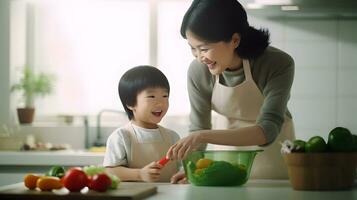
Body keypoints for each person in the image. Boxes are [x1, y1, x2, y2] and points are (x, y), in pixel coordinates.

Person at [168, 0, 295, 183]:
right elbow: (198, 126)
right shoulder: (198, 71)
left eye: (204, 49)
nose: (198, 57)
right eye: (192, 48)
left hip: (273, 163)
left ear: (235, 40)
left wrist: (201, 135)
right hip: (226, 164)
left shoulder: (277, 64)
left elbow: (267, 130)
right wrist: (191, 166)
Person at [103, 65, 180, 182]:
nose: (160, 103)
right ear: (130, 103)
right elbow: (110, 171)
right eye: (151, 96)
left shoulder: (173, 137)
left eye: (165, 96)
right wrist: (139, 174)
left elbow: (182, 167)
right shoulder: (121, 136)